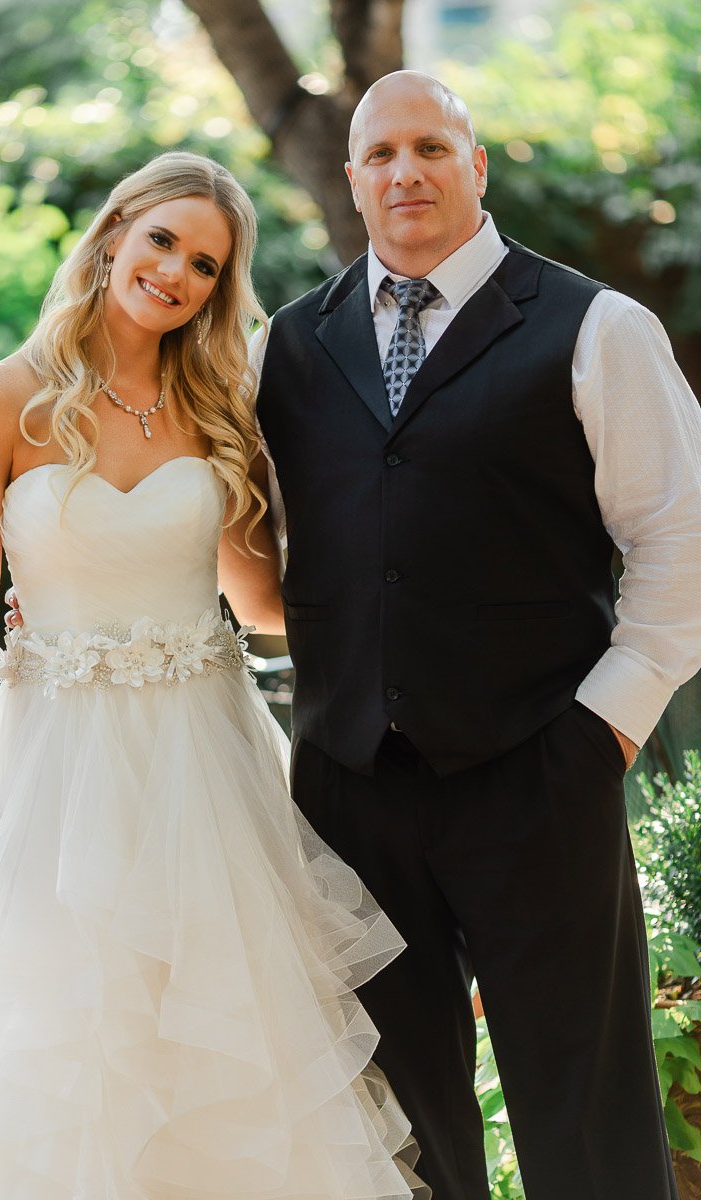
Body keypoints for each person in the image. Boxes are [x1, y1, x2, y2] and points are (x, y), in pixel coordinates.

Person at [0, 151, 426, 1199]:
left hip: (203, 770)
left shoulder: (217, 408)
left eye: (203, 264)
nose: (175, 273)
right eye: (161, 242)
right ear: (111, 236)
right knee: (59, 1046)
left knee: (218, 1045)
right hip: (52, 767)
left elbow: (266, 603)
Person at [251, 72, 701, 1200]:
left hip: (540, 770)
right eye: (381, 156)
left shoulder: (594, 326)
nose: (405, 173)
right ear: (350, 181)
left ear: (475, 166)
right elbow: (233, 536)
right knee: (396, 1126)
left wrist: (605, 727)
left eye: (430, 149)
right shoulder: (285, 348)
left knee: (582, 1114)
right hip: (349, 787)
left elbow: (679, 538)